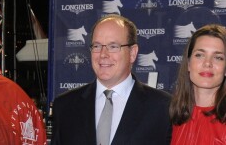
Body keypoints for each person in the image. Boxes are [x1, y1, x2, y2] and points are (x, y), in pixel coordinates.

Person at [51, 14, 172, 145]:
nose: (103, 54)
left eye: (113, 46)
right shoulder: (65, 107)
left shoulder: (164, 108)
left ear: (132, 53)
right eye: (97, 46)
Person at [169, 24, 226, 144]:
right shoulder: (167, 115)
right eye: (199, 55)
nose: (207, 63)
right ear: (189, 63)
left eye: (218, 57)